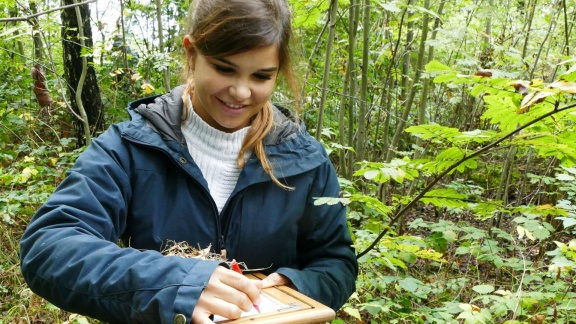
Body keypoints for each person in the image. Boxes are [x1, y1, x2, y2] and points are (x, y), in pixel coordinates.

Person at [19, 0, 358, 323]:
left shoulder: (304, 160)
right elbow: (49, 246)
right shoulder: (130, 148)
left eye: (261, 77)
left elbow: (335, 263)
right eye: (225, 69)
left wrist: (294, 286)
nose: (241, 92)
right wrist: (178, 283)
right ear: (192, 53)